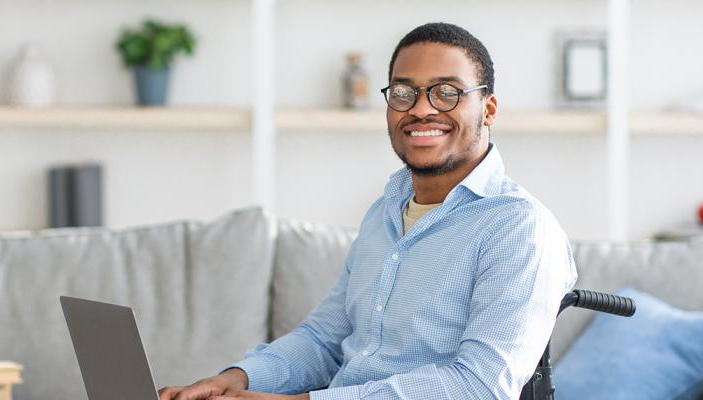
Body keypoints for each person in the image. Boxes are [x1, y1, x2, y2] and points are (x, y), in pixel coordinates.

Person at [158, 22, 576, 400]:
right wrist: (238, 378)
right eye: (403, 91)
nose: (421, 108)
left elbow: (481, 385)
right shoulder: (384, 213)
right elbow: (323, 340)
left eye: (447, 92)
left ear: (488, 109)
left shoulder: (519, 227)